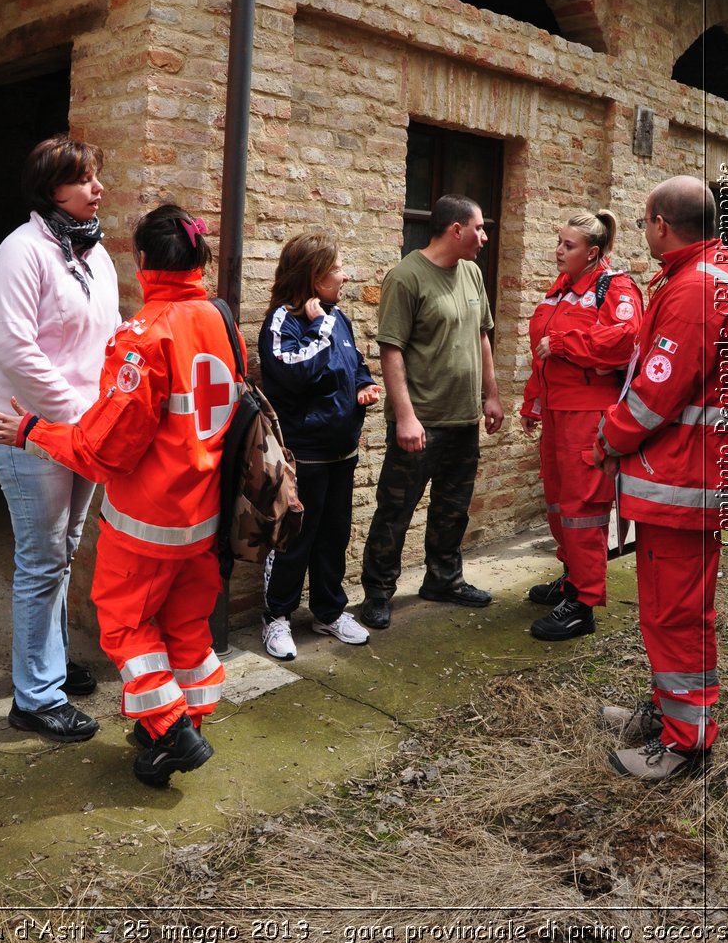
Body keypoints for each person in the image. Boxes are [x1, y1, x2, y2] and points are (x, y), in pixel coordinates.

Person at [0, 204, 242, 787]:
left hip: (149, 520)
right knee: (186, 626)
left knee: (125, 627)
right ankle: (187, 719)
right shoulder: (219, 318)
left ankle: (169, 731)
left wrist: (29, 432)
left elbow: (103, 452)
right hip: (204, 516)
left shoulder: (143, 339)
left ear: (143, 262)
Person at [594, 175, 728, 781]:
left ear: (659, 221)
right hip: (688, 477)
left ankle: (686, 743)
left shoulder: (696, 288)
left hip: (685, 480)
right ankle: (668, 712)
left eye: (643, 222)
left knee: (676, 613)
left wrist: (610, 434)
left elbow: (656, 392)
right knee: (667, 609)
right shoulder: (709, 275)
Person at [0, 135, 119, 744]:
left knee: (64, 549)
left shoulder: (97, 254)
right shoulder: (20, 251)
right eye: (85, 179)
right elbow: (15, 350)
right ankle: (35, 697)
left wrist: (104, 415)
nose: (98, 188)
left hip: (82, 430)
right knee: (41, 561)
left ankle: (51, 666)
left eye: (96, 177)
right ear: (51, 188)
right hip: (29, 429)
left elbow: (110, 338)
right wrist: (76, 418)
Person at [359, 194, 505, 630]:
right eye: (479, 228)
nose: (483, 237)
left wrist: (491, 396)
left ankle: (443, 579)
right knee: (394, 511)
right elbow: (391, 350)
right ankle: (378, 593)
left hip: (463, 420)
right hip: (420, 422)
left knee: (452, 509)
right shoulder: (406, 277)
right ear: (455, 229)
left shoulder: (474, 274)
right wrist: (405, 416)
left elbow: (482, 337)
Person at [520, 210, 643, 640]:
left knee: (583, 509)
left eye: (567, 245)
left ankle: (584, 604)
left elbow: (626, 340)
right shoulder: (562, 290)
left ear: (592, 253)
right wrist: (533, 403)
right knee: (557, 502)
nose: (558, 250)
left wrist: (567, 343)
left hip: (588, 415)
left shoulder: (616, 287)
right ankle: (573, 578)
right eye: (558, 241)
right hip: (557, 412)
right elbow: (541, 351)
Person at [258, 233, 380, 660]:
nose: (345, 276)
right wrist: (319, 325)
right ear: (314, 276)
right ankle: (277, 617)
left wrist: (365, 386)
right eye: (337, 269)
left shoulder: (337, 318)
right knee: (295, 539)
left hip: (341, 453)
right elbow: (294, 372)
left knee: (333, 537)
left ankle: (328, 612)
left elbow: (355, 365)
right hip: (303, 455)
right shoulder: (283, 322)